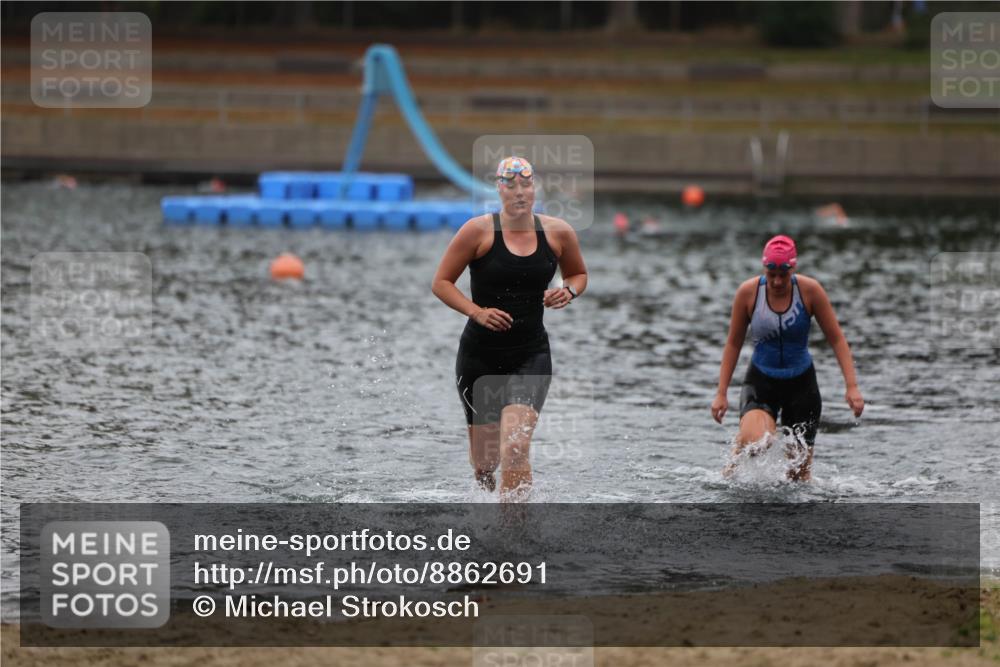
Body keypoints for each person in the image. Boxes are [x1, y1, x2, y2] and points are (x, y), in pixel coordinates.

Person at [432, 157, 588, 500]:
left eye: (527, 185)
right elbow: (441, 283)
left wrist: (569, 291)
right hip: (479, 359)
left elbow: (579, 274)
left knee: (516, 446)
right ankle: (489, 520)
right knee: (485, 465)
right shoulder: (477, 231)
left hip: (530, 354)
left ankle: (516, 537)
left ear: (536, 189)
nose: (520, 192)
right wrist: (476, 312)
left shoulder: (558, 231)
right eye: (511, 185)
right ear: (498, 190)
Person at [711, 235, 864, 481]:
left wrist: (852, 387)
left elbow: (836, 339)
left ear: (794, 267)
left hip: (801, 386)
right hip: (762, 381)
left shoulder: (811, 291)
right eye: (772, 273)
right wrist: (721, 392)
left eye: (784, 273)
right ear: (764, 268)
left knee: (798, 478)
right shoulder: (749, 293)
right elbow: (733, 343)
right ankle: (734, 460)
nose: (778, 280)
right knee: (760, 441)